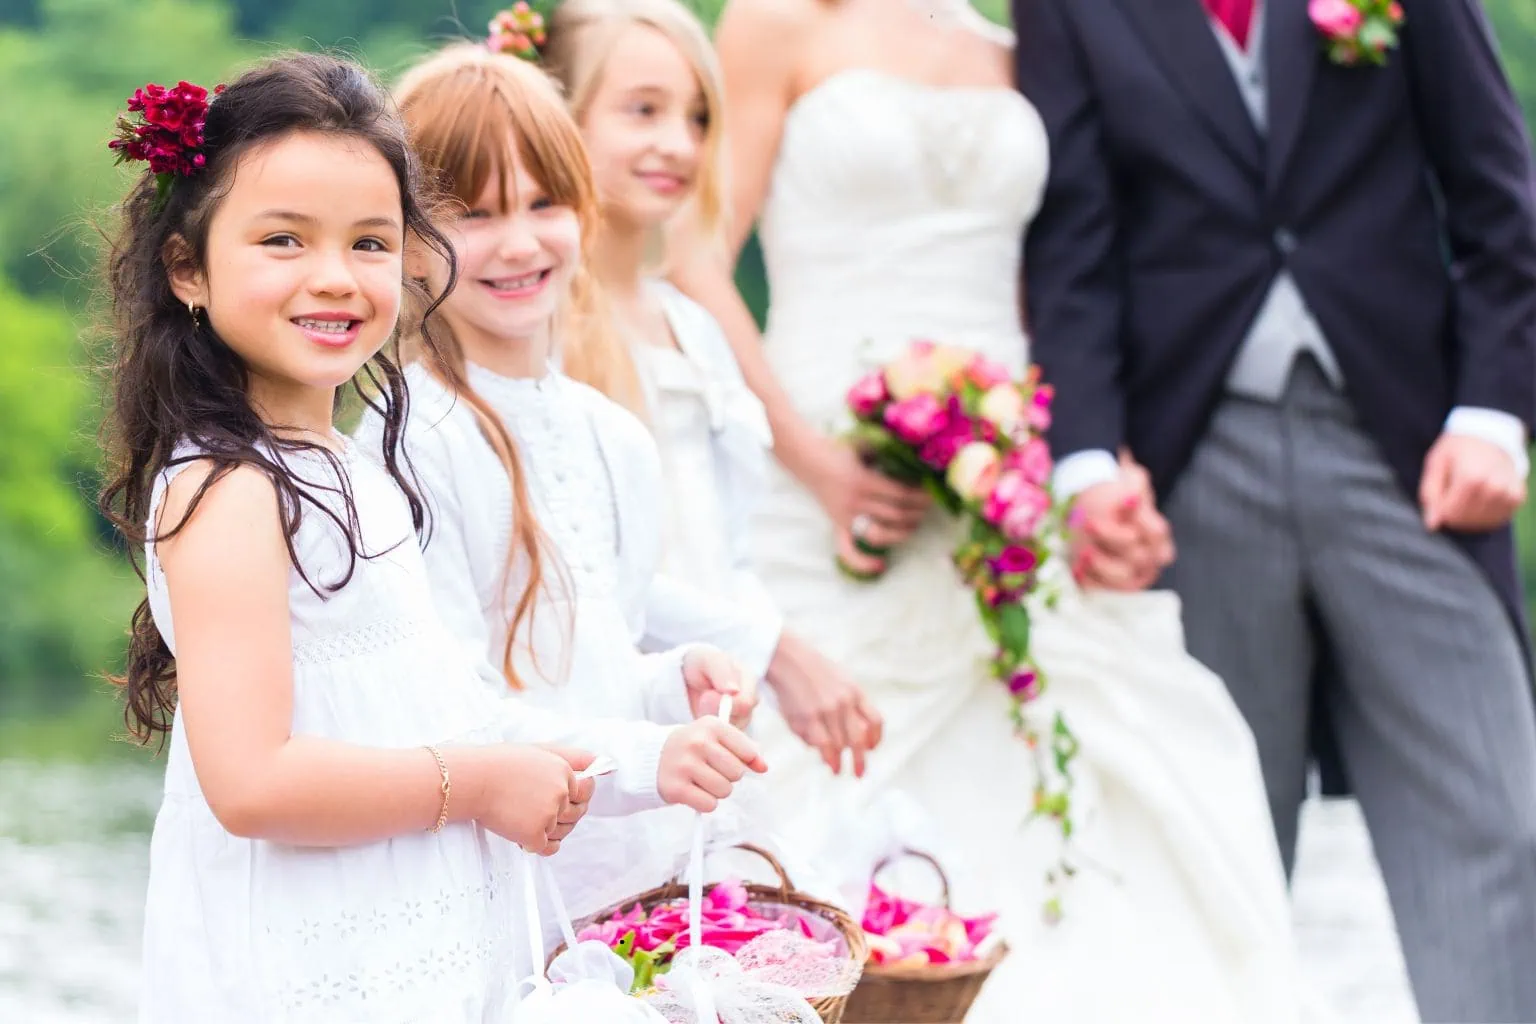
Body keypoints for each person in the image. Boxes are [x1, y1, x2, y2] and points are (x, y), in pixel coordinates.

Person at [670, 1, 1325, 1020]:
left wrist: (1093, 473)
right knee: (811, 774)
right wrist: (813, 462)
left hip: (1011, 470)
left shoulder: (1027, 41)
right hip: (824, 463)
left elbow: (1062, 285)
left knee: (1124, 755)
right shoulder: (777, 22)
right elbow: (694, 257)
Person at [99, 52, 753, 1021]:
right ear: (187, 266)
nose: (335, 277)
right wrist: (479, 784)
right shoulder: (228, 486)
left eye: (369, 242)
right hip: (307, 969)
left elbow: (449, 711)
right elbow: (251, 781)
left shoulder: (351, 472)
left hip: (411, 954)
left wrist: (646, 759)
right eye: (283, 240)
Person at [1013, 0, 1536, 1017]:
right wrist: (1083, 465)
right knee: (1221, 846)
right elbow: (1071, 245)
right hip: (1191, 463)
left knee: (1498, 819)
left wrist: (1494, 415)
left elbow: (1498, 196)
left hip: (1410, 450)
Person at [358, 43, 766, 926]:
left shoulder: (615, 436)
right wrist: (648, 756)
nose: (517, 244)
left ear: (586, 210)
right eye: (474, 214)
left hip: (630, 878)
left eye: (544, 204)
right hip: (499, 883)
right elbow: (446, 710)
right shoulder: (410, 438)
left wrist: (673, 687)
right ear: (407, 241)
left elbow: (599, 662)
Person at [539, 0, 883, 778]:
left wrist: (769, 653)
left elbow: (730, 542)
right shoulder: (546, 327)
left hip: (729, 693)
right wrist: (771, 650)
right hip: (627, 718)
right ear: (559, 117)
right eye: (643, 111)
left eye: (697, 117)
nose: (678, 144)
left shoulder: (693, 326)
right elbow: (587, 565)